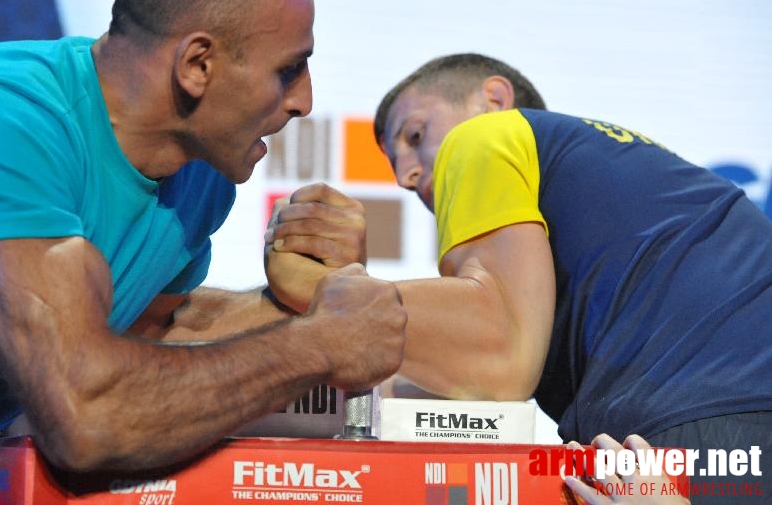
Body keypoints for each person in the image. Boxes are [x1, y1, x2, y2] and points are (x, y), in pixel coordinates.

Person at [0, 0, 407, 505]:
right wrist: (320, 344)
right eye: (288, 69)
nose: (304, 100)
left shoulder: (201, 178)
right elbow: (88, 416)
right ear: (197, 65)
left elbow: (150, 343)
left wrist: (305, 300)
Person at [269, 53, 772, 503]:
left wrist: (323, 292)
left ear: (495, 98)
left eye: (416, 136)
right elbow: (474, 380)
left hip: (694, 432)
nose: (405, 174)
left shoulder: (486, 135)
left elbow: (500, 361)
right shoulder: (626, 183)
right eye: (394, 160)